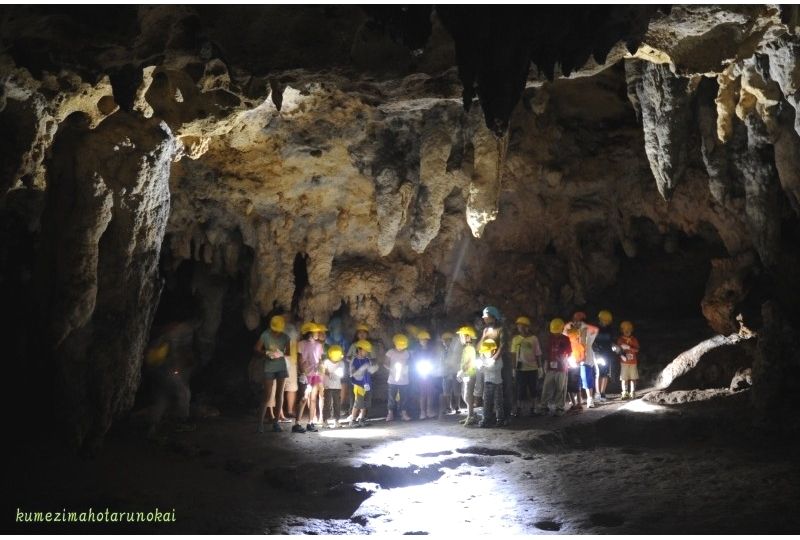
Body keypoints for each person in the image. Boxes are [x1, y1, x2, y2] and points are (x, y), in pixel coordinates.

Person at [143, 320, 196, 438]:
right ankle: (181, 421)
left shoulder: (165, 330)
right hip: (169, 370)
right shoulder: (183, 329)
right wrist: (178, 368)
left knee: (161, 398)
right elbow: (178, 352)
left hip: (157, 370)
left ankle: (151, 426)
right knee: (184, 393)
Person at [254, 315, 290, 433]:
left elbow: (289, 353)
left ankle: (276, 423)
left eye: (279, 330)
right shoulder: (265, 334)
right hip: (269, 367)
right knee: (267, 395)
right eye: (275, 330)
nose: (277, 333)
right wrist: (266, 352)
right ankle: (260, 424)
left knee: (279, 395)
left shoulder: (285, 337)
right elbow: (256, 349)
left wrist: (281, 354)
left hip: (281, 367)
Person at [480, 306, 512, 422]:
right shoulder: (485, 331)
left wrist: (494, 359)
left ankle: (505, 416)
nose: (484, 319)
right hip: (489, 362)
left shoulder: (501, 329)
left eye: (486, 317)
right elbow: (481, 346)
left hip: (503, 362)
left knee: (505, 388)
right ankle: (492, 415)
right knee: (489, 391)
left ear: (493, 317)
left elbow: (503, 346)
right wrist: (483, 359)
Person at [537, 318, 572, 416]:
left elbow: (569, 352)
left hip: (562, 367)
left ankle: (559, 408)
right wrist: (545, 363)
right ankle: (544, 406)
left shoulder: (566, 339)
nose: (555, 334)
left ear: (561, 329)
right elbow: (547, 352)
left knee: (560, 388)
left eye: (557, 332)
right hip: (550, 367)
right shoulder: (550, 338)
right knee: (547, 387)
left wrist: (564, 358)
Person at [294, 322, 325, 433]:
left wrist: (320, 367)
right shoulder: (301, 344)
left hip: (315, 374)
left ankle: (310, 422)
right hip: (306, 374)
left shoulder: (319, 345)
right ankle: (296, 424)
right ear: (310, 333)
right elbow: (300, 359)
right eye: (316, 331)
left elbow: (320, 359)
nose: (318, 333)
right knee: (303, 398)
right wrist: (302, 373)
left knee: (313, 398)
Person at [565, 312, 599, 408]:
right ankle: (577, 399)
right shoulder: (571, 330)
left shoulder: (588, 330)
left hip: (586, 358)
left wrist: (583, 327)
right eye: (575, 320)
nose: (576, 323)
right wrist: (571, 326)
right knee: (575, 379)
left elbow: (595, 330)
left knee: (586, 378)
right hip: (574, 358)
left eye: (579, 321)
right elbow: (564, 331)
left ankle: (590, 399)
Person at [513, 316, 543, 416]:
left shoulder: (534, 339)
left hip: (532, 368)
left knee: (533, 389)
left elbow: (538, 353)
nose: (520, 328)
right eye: (519, 326)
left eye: (522, 326)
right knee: (520, 389)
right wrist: (513, 368)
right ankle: (519, 408)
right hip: (520, 369)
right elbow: (513, 354)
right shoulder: (516, 339)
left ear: (527, 327)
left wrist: (540, 368)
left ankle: (534, 408)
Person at [345, 323, 371, 420]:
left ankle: (363, 415)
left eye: (364, 333)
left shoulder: (369, 346)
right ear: (357, 334)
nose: (362, 335)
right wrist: (354, 362)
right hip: (356, 374)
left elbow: (373, 358)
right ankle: (353, 414)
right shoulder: (354, 345)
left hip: (366, 374)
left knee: (366, 395)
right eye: (360, 333)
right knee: (355, 395)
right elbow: (348, 357)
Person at [349, 339, 378, 427]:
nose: (367, 353)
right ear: (360, 349)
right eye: (366, 351)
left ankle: (362, 419)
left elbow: (369, 370)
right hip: (358, 385)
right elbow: (352, 373)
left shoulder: (367, 359)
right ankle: (352, 421)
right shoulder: (354, 360)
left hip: (367, 384)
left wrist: (374, 368)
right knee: (358, 403)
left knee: (365, 403)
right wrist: (360, 370)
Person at [477, 339, 505, 427]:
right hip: (487, 383)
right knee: (486, 402)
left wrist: (486, 365)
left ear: (493, 350)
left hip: (497, 383)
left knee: (498, 402)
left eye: (487, 351)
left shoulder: (498, 359)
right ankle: (486, 419)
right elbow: (481, 370)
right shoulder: (483, 357)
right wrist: (483, 365)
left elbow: (495, 368)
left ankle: (500, 419)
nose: (485, 353)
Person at [326, 317, 349, 418]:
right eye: (335, 326)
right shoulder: (328, 339)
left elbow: (346, 352)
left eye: (339, 326)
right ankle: (329, 408)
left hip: (341, 364)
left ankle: (341, 406)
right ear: (331, 327)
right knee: (329, 387)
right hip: (330, 365)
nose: (338, 328)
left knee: (343, 383)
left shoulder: (344, 340)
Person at [384, 334, 411, 422]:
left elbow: (408, 364)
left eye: (402, 346)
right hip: (392, 379)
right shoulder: (390, 352)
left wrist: (405, 370)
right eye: (399, 346)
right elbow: (385, 363)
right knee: (391, 397)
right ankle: (390, 413)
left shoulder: (407, 353)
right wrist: (391, 369)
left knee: (404, 397)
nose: (400, 348)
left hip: (404, 379)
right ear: (395, 344)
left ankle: (404, 413)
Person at [456, 326, 479, 426]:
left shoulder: (469, 348)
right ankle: (471, 415)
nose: (460, 338)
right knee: (465, 396)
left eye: (461, 336)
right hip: (466, 374)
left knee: (467, 395)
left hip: (470, 374)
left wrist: (462, 371)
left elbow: (470, 362)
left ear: (468, 337)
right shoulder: (467, 348)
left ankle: (471, 417)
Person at [592, 310, 616, 401]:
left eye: (607, 321)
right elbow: (591, 341)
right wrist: (595, 351)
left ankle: (602, 393)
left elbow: (612, 340)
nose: (606, 323)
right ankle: (597, 393)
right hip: (597, 353)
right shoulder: (595, 328)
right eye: (604, 321)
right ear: (600, 319)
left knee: (605, 373)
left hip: (607, 353)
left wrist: (614, 345)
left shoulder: (610, 329)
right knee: (597, 373)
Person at [280, 313, 300, 423]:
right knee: (280, 387)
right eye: (285, 315)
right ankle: (280, 411)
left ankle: (290, 410)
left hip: (292, 361)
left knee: (292, 387)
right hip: (281, 361)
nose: (287, 317)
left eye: (288, 315)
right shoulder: (277, 329)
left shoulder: (292, 328)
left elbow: (297, 342)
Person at [413, 330, 437, 419]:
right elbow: (414, 361)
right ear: (419, 341)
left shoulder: (431, 350)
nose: (424, 341)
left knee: (430, 393)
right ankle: (422, 412)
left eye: (425, 339)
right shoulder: (416, 351)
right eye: (422, 340)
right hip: (420, 373)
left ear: (427, 340)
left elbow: (434, 359)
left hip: (430, 373)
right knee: (422, 394)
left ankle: (429, 411)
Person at [440, 331, 463, 418]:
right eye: (444, 341)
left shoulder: (455, 351)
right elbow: (441, 362)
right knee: (446, 391)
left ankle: (457, 407)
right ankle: (448, 407)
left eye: (446, 341)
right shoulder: (443, 352)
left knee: (456, 390)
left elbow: (457, 361)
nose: (445, 343)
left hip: (455, 372)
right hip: (446, 373)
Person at [321, 344, 345, 428]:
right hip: (328, 387)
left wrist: (330, 373)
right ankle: (325, 420)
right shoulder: (326, 362)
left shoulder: (341, 363)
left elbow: (340, 374)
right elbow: (323, 371)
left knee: (337, 404)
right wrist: (329, 372)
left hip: (337, 387)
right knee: (327, 404)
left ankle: (337, 420)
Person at [618, 321, 641, 399]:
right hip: (624, 362)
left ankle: (632, 392)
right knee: (624, 378)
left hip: (633, 362)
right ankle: (624, 392)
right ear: (622, 330)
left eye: (629, 329)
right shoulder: (620, 339)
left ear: (631, 330)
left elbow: (637, 350)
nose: (627, 331)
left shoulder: (633, 339)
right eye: (625, 329)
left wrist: (629, 347)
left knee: (633, 378)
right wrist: (621, 355)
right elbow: (618, 350)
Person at [565, 326, 584, 411]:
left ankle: (579, 404)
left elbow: (583, 357)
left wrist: (578, 361)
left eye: (572, 335)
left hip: (576, 368)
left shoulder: (579, 346)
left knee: (576, 386)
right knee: (569, 387)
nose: (571, 337)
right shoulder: (567, 345)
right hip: (568, 367)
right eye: (570, 336)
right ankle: (574, 404)